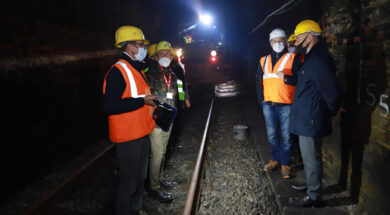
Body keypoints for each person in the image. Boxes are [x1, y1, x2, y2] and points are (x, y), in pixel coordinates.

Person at [288, 20, 342, 207]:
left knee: (312, 157)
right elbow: (308, 83)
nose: (295, 42)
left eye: (299, 37)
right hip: (307, 117)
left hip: (311, 118)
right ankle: (312, 186)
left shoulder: (317, 59)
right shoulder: (312, 57)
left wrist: (332, 110)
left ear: (309, 36)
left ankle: (314, 196)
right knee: (309, 155)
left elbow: (331, 90)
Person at [103, 26, 157, 215]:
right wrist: (142, 101)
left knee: (140, 178)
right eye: (141, 44)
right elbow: (110, 106)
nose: (143, 48)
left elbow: (140, 100)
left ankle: (136, 210)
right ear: (129, 46)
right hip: (128, 138)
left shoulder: (136, 69)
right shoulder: (117, 72)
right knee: (128, 183)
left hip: (142, 132)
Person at [256, 28, 301, 179]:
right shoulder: (264, 60)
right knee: (272, 135)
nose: (278, 43)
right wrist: (261, 99)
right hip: (268, 104)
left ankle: (286, 164)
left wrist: (287, 77)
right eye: (275, 41)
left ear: (286, 42)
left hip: (286, 104)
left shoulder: (293, 58)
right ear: (270, 43)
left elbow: (301, 80)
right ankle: (275, 159)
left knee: (287, 136)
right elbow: (258, 81)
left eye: (281, 40)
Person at [146, 41, 178, 202]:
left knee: (163, 152)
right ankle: (154, 187)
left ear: (171, 57)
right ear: (156, 57)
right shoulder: (150, 73)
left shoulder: (172, 74)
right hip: (156, 121)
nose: (165, 56)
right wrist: (155, 118)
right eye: (161, 54)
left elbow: (175, 94)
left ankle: (159, 179)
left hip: (168, 120)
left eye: (167, 54)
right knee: (157, 154)